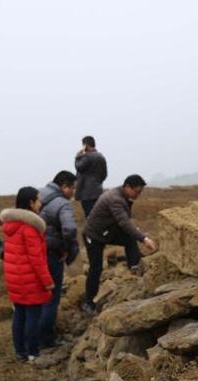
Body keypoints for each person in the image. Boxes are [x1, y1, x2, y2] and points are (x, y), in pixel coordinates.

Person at [82, 174, 156, 314]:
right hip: (93, 235)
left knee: (129, 238)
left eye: (140, 192)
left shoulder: (123, 196)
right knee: (96, 268)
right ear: (127, 187)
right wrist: (144, 239)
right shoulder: (114, 199)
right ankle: (89, 302)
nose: (138, 195)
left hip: (107, 232)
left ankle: (134, 268)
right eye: (137, 192)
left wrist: (137, 233)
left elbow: (125, 222)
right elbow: (124, 222)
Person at [0, 187, 54, 361]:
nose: (40, 203)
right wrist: (47, 281)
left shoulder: (11, 227)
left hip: (15, 279)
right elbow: (37, 259)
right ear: (31, 203)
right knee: (32, 316)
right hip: (30, 280)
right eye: (38, 200)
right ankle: (33, 352)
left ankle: (20, 351)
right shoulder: (29, 229)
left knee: (19, 315)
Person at [38, 170, 78, 348]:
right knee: (51, 297)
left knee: (38, 295)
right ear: (64, 186)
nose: (73, 193)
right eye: (72, 188)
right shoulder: (63, 204)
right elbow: (69, 229)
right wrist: (67, 249)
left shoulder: (39, 197)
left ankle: (32, 336)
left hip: (36, 252)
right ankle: (46, 340)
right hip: (53, 253)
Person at [74, 135, 107, 217]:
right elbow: (104, 174)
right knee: (98, 214)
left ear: (85, 145)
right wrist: (98, 182)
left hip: (86, 193)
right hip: (98, 190)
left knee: (89, 216)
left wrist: (77, 157)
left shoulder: (87, 156)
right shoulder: (101, 156)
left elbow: (79, 167)